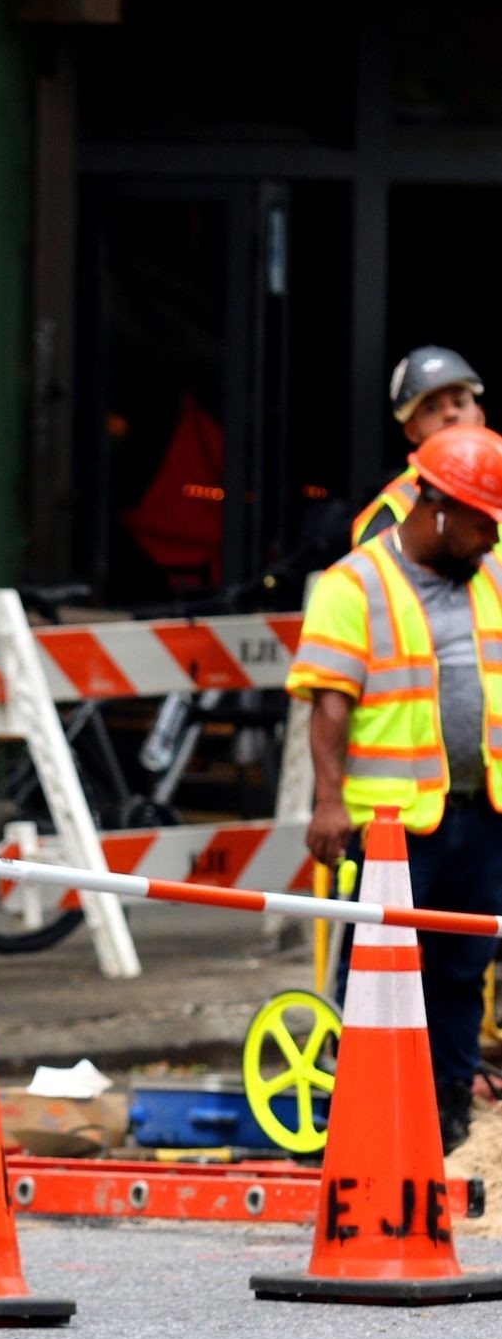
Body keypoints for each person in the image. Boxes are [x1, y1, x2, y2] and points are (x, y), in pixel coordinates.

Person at [290, 422, 502, 1153]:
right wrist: (328, 804)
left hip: (481, 814)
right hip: (390, 823)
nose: (490, 537)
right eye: (481, 522)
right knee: (378, 972)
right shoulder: (355, 585)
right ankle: (364, 1117)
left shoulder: (490, 576)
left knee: (461, 970)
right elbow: (329, 705)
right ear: (437, 510)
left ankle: (444, 1118)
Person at [351, 345, 485, 548]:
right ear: (412, 431)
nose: (450, 414)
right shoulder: (392, 510)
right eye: (431, 408)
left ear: (479, 416)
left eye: (459, 402)